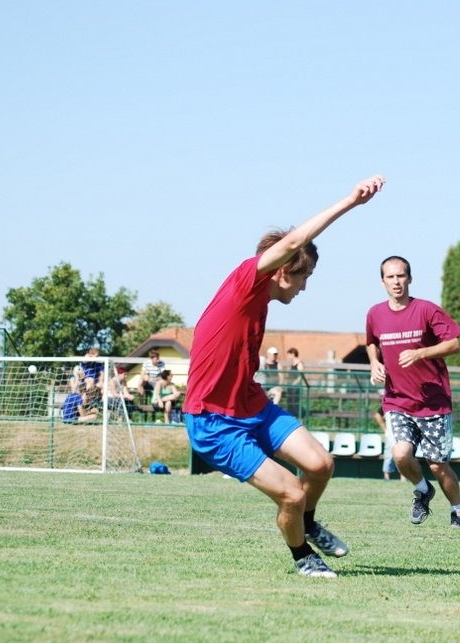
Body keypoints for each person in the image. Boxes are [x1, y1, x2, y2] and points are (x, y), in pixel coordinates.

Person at [183, 174, 384, 579]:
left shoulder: (260, 301)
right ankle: (303, 556)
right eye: (303, 277)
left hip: (251, 404)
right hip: (213, 420)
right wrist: (350, 201)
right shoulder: (245, 282)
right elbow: (293, 243)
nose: (304, 288)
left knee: (321, 464)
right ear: (281, 271)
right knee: (291, 493)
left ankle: (306, 523)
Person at [365, 255, 460, 528]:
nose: (396, 281)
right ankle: (423, 490)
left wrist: (421, 353)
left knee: (438, 465)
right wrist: (375, 363)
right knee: (401, 454)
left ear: (409, 278)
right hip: (397, 400)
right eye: (390, 277)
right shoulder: (375, 314)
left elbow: (454, 344)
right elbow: (371, 342)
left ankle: (459, 512)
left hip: (433, 403)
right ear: (382, 281)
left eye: (400, 275)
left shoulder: (426, 310)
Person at [372, 407, 400, 481]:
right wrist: (385, 430)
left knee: (404, 455)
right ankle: (386, 477)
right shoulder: (388, 403)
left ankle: (403, 478)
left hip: (404, 433)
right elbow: (377, 415)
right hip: (390, 433)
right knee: (388, 454)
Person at [285, 347, 305, 417]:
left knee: (295, 403)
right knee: (290, 403)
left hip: (295, 387)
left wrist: (294, 383)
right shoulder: (292, 364)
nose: (288, 356)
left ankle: (297, 417)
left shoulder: (299, 363)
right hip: (290, 386)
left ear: (293, 354)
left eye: (289, 354)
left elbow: (301, 376)